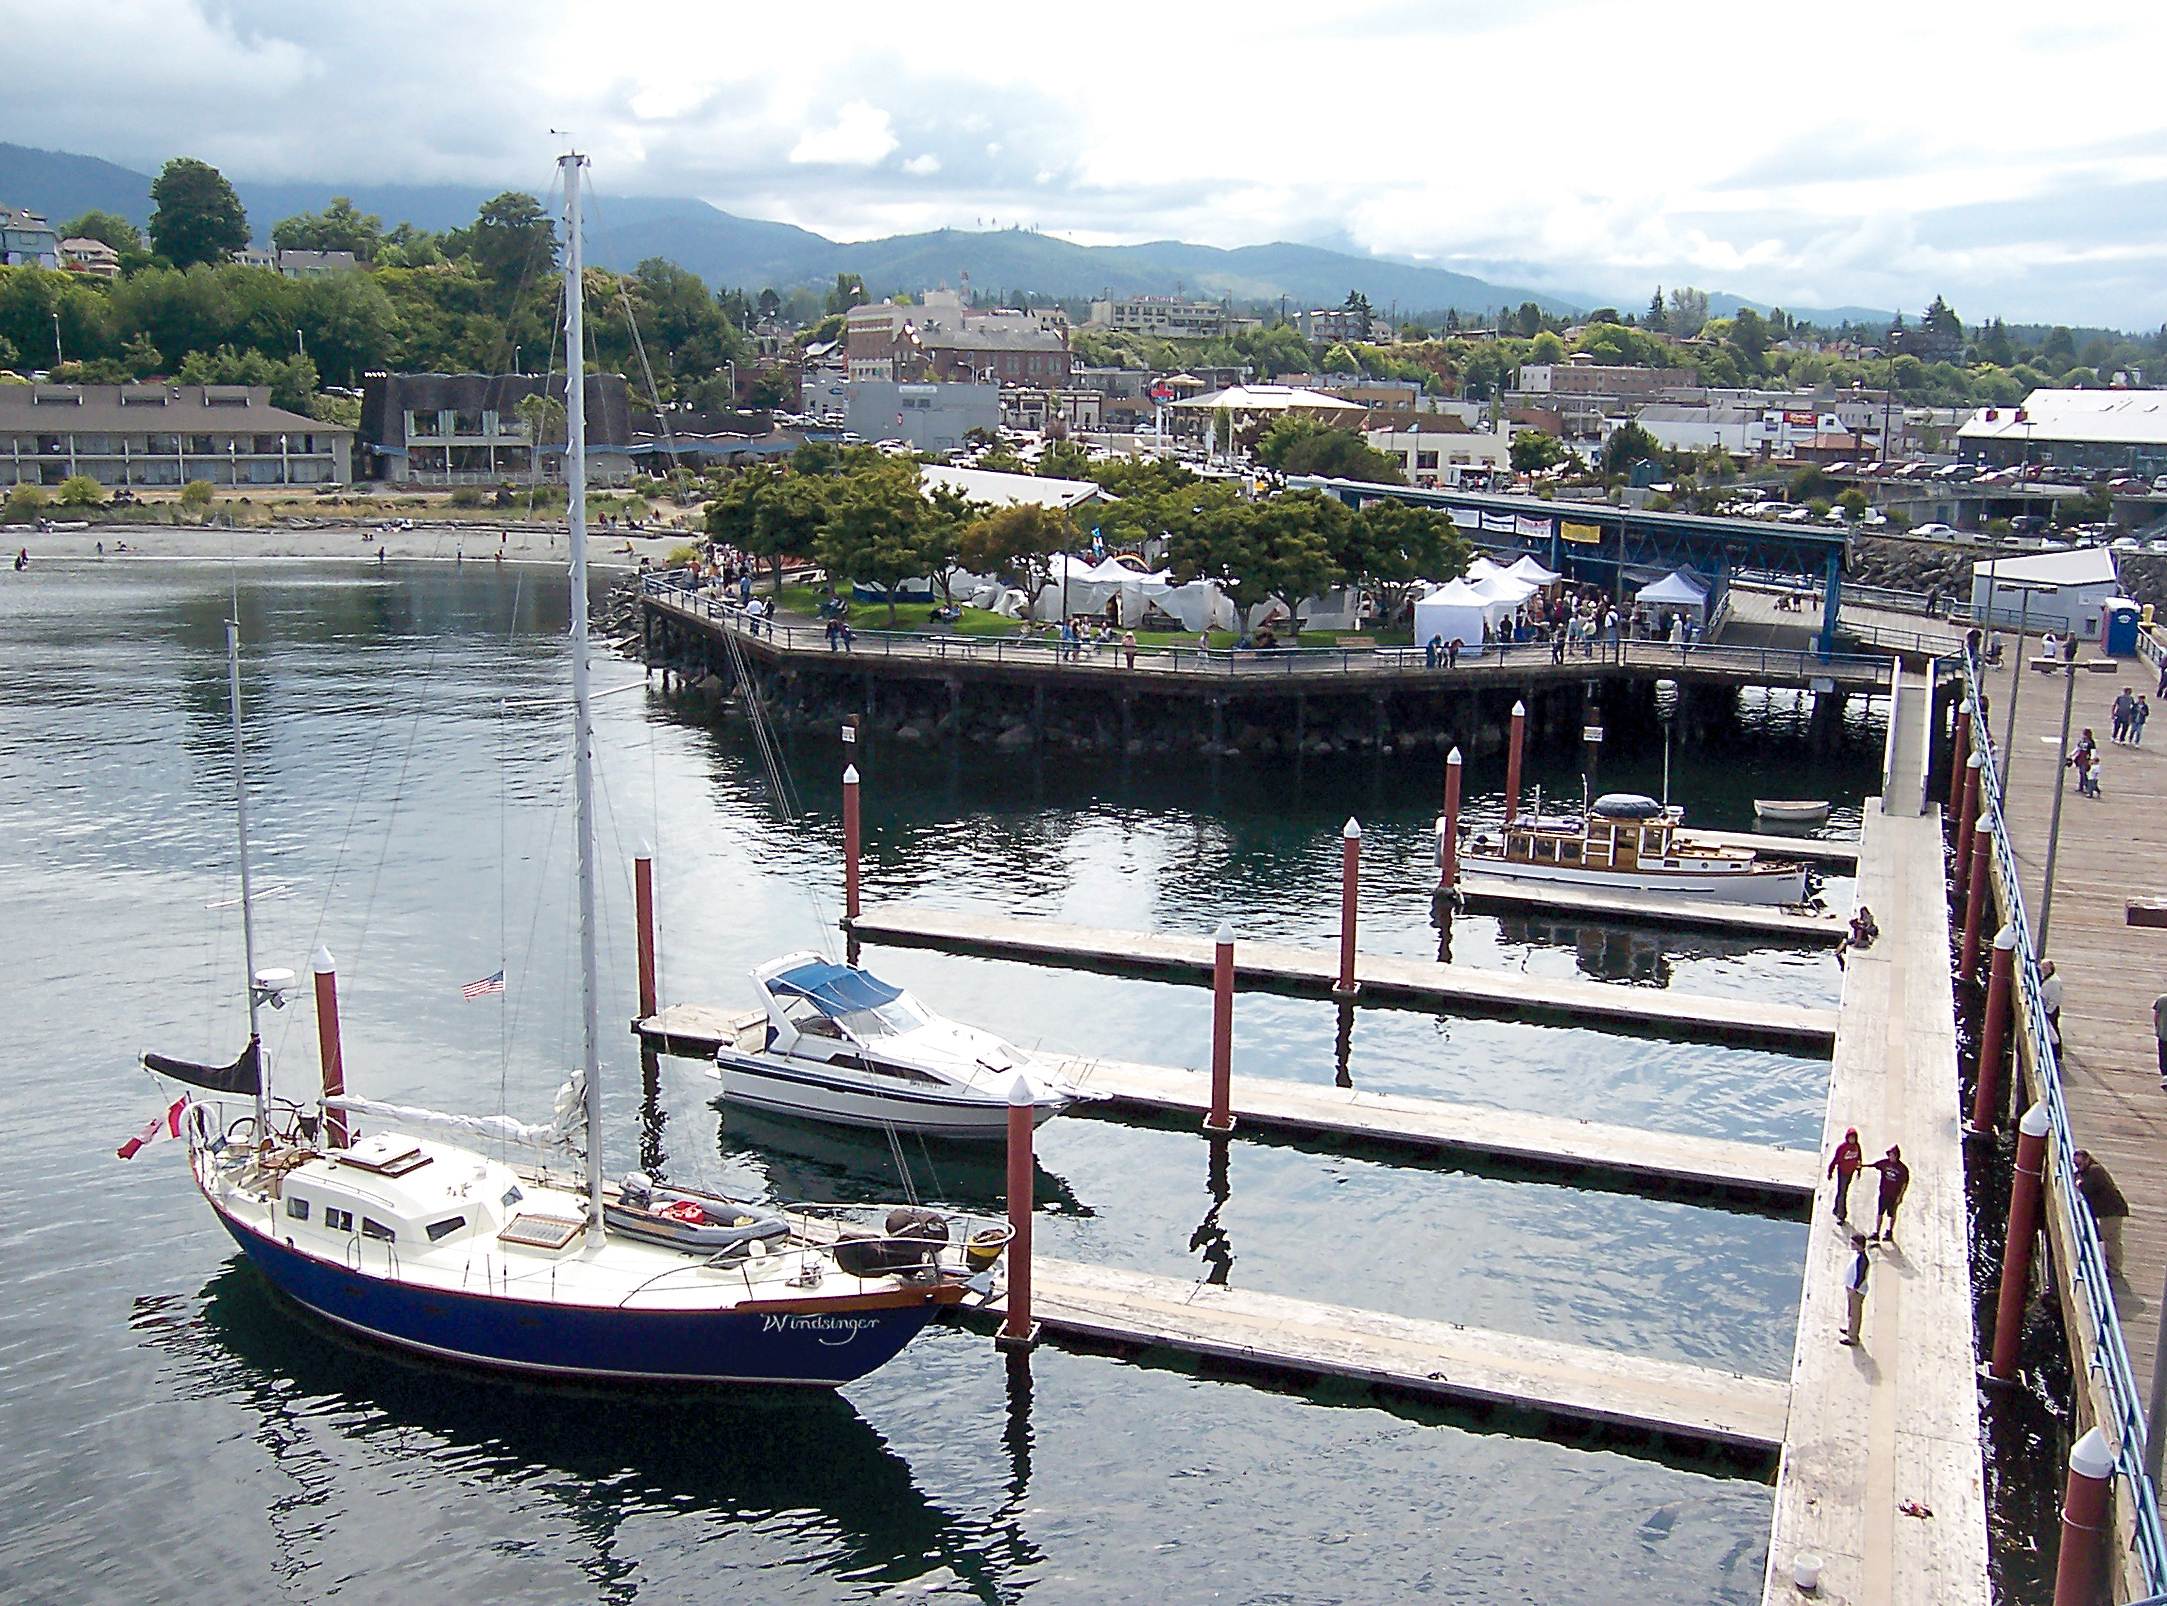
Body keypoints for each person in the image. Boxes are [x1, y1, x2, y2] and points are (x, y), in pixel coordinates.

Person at [2073, 1150, 2128, 1280]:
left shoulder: (2094, 1171)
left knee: (2111, 1239)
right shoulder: (2089, 1170)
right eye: (2075, 1164)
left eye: (2079, 1163)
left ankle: (2114, 1269)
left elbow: (2087, 1188)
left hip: (2112, 1211)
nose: (2077, 1167)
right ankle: (2111, 1267)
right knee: (2107, 1236)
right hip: (2106, 1211)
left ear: (2086, 1160)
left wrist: (2079, 1183)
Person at [1868, 1146, 1910, 1245]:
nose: (1891, 1157)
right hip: (1883, 1193)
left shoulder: (1902, 1169)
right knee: (1880, 1213)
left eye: (1893, 1155)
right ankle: (1877, 1232)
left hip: (1894, 1196)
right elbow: (1874, 1165)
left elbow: (1905, 1183)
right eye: (1890, 1155)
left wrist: (1900, 1196)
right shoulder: (1885, 1163)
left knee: (1892, 1214)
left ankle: (1889, 1232)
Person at [1841, 1232, 1871, 1346]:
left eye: (1853, 1243)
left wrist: (1854, 1289)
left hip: (1856, 1291)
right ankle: (1850, 1329)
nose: (1851, 1245)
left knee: (1855, 1313)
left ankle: (1853, 1337)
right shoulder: (1857, 1254)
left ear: (1859, 1245)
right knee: (1850, 1311)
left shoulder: (1863, 1259)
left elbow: (1861, 1276)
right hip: (1851, 1288)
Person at [1828, 1127, 1864, 1221]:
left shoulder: (1857, 1147)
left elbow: (1859, 1159)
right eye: (1851, 1138)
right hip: (1842, 1172)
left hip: (1850, 1172)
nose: (1852, 1140)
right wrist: (1830, 1171)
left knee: (1842, 1191)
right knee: (1842, 1193)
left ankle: (1836, 1209)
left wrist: (1859, 1171)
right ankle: (1842, 1215)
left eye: (1854, 1138)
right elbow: (1836, 1160)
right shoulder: (1842, 1148)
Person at [2038, 959, 2063, 1044]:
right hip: (2048, 1008)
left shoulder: (2054, 981)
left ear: (2051, 969)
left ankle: (2057, 1052)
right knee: (2050, 1031)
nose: (2043, 969)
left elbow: (2055, 999)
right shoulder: (2047, 978)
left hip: (2051, 1010)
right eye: (2042, 967)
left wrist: (2048, 1012)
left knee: (2054, 1031)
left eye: (2045, 968)